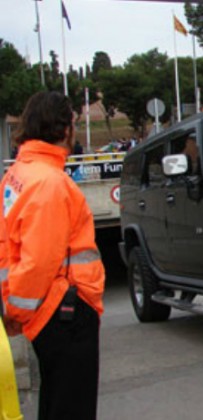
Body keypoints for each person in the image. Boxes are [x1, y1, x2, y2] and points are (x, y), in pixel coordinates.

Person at [0, 91, 105, 420]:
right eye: (73, 122)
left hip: (51, 314)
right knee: (72, 408)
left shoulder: (18, 174)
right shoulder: (51, 183)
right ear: (63, 130)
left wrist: (13, 306)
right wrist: (18, 311)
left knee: (56, 402)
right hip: (66, 312)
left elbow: (9, 248)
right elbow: (38, 261)